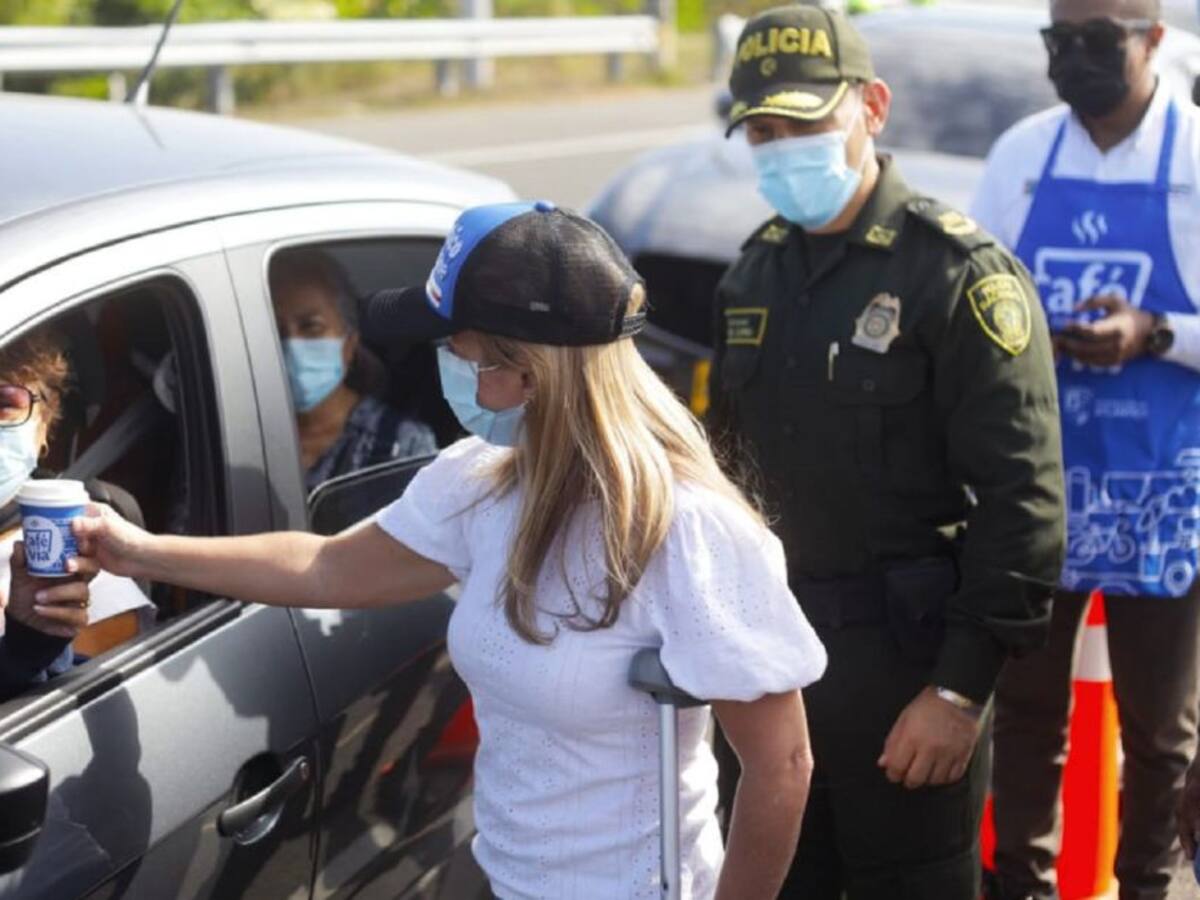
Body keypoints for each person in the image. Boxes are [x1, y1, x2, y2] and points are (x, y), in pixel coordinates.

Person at [75, 200, 828, 900]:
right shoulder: (482, 481)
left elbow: (781, 764)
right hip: (507, 878)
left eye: (462, 353)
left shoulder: (685, 530)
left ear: (530, 372)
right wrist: (138, 552)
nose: (448, 370)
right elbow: (327, 565)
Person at [709, 6, 1067, 897]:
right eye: (762, 129)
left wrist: (957, 694)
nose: (781, 146)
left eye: (804, 123)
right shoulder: (753, 272)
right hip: (772, 666)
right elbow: (720, 473)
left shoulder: (955, 275)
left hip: (906, 673)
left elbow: (1024, 505)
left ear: (871, 106)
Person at [970, 0, 1200, 896]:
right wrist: (1032, 332)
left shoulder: (1194, 156)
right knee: (1026, 712)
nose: (1074, 58)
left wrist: (1153, 333)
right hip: (1039, 483)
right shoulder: (1023, 156)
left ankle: (1143, 885)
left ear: (1152, 41)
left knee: (1159, 728)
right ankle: (1018, 883)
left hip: (1167, 491)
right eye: (1058, 41)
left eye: (1097, 40)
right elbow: (975, 300)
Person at [0, 330, 143, 701]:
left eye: (3, 402)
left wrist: (29, 647)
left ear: (43, 426)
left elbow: (79, 716)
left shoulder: (81, 547)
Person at [269, 248, 437, 493]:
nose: (292, 345)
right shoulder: (238, 431)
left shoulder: (400, 445)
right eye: (277, 331)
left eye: (312, 327)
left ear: (349, 344)